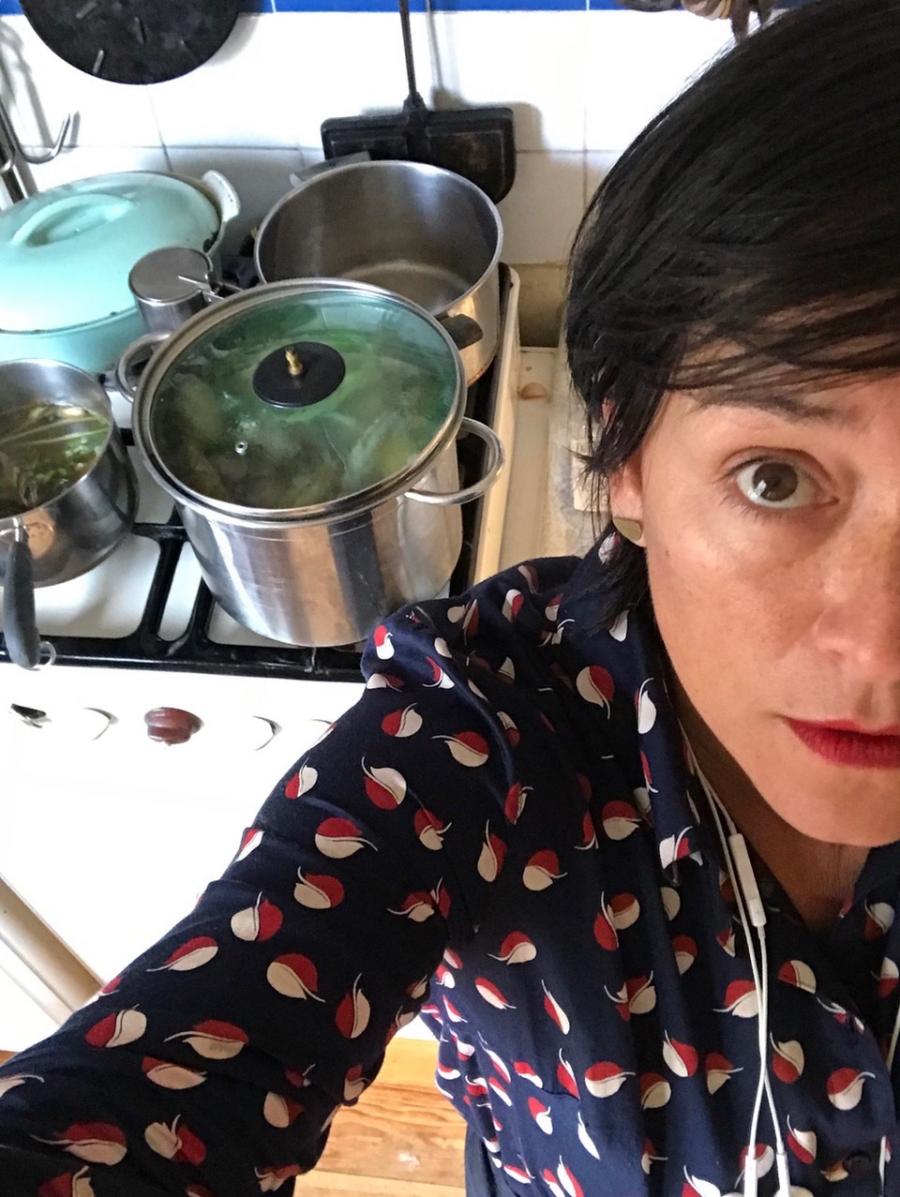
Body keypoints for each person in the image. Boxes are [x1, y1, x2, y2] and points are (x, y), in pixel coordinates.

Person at [4, 0, 900, 1193]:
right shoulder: (478, 749)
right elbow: (167, 1079)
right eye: (774, 478)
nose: (876, 648)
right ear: (626, 459)